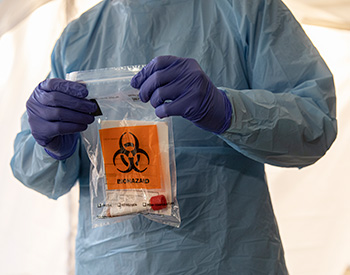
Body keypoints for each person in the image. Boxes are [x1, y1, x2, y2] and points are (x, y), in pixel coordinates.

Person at [11, 0, 337, 274]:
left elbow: (314, 123)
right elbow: (32, 168)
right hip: (111, 263)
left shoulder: (246, 9)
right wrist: (49, 144)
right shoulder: (79, 37)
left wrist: (227, 109)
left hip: (229, 258)